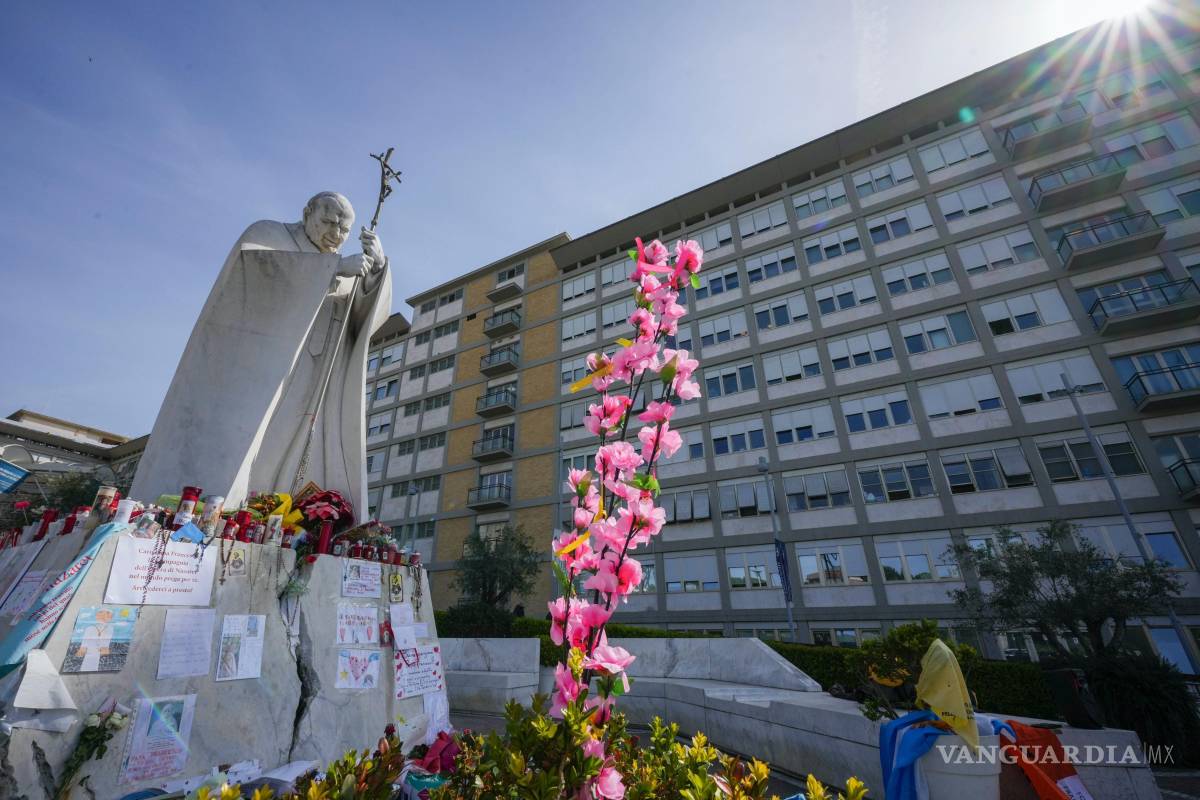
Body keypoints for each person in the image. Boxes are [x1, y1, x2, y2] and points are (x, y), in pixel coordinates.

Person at [131, 191, 393, 512]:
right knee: (252, 447)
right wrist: (332, 268)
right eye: (328, 222)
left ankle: (268, 515)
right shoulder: (271, 235)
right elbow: (251, 272)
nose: (335, 233)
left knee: (288, 452)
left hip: (314, 376)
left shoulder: (345, 264)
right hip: (259, 373)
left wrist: (376, 269)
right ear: (307, 212)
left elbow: (362, 318)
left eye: (344, 229)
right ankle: (225, 510)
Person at [76, 608, 114, 672]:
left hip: (100, 655)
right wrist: (82, 650)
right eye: (101, 612)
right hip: (90, 653)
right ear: (96, 616)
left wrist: (105, 648)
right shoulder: (89, 628)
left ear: (110, 618)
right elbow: (84, 644)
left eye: (107, 613)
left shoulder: (110, 629)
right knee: (87, 667)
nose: (104, 615)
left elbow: (106, 644)